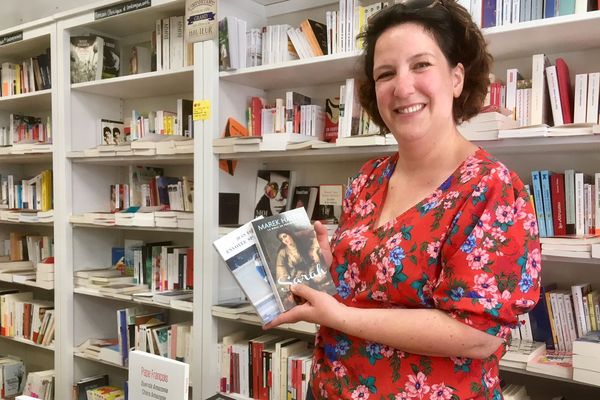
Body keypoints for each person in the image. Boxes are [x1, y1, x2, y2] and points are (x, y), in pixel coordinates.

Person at [264, 1, 541, 399]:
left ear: (457, 77)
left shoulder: (491, 189)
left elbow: (478, 336)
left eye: (421, 65)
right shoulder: (368, 177)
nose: (402, 87)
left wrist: (340, 315)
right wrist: (325, 270)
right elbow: (366, 287)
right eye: (386, 73)